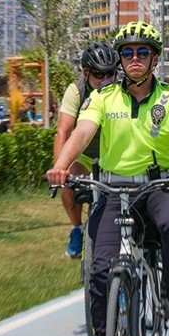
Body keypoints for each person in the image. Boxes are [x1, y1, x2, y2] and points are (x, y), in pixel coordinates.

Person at [47, 20, 169, 336]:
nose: (134, 59)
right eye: (127, 53)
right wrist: (60, 166)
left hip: (160, 185)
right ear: (120, 59)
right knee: (100, 272)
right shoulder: (103, 98)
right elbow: (81, 132)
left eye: (142, 52)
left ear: (154, 58)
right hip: (113, 188)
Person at [54, 42, 120, 258]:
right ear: (86, 73)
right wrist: (58, 170)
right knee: (68, 183)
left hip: (115, 156)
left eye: (110, 74)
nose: (105, 80)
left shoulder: (122, 90)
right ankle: (76, 228)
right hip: (85, 155)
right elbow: (63, 132)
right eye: (99, 75)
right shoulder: (76, 91)